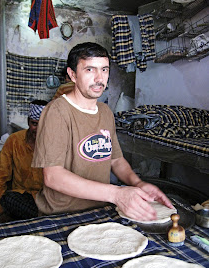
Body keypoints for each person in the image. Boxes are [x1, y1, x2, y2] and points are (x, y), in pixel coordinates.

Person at [32, 42, 173, 220]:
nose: (99, 78)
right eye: (90, 70)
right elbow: (53, 177)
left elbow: (115, 159)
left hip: (100, 211)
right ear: (72, 75)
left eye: (104, 70)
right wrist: (116, 194)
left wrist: (137, 183)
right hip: (61, 215)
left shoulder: (105, 112)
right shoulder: (57, 111)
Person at [0, 100, 47, 221]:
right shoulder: (14, 141)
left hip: (48, 199)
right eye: (35, 124)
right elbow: (1, 175)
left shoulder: (55, 144)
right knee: (9, 199)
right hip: (21, 197)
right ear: (28, 122)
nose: (38, 129)